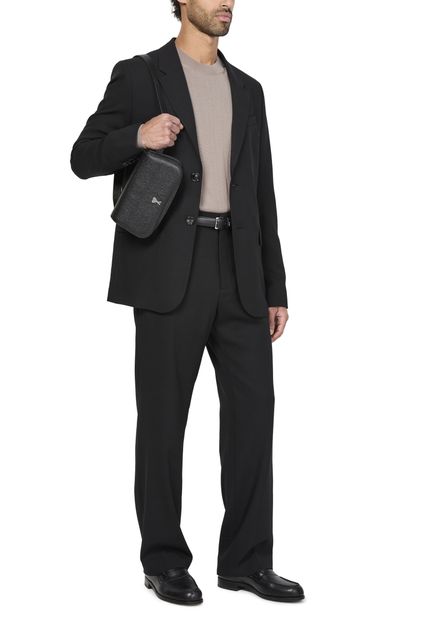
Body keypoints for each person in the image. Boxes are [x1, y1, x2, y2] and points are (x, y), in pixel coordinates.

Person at [70, 0, 304, 605]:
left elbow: (263, 192)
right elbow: (82, 156)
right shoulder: (139, 74)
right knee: (163, 420)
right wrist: (137, 136)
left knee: (253, 419)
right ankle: (164, 560)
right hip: (170, 269)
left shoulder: (249, 89)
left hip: (241, 270)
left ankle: (247, 561)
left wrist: (275, 286)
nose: (227, 2)